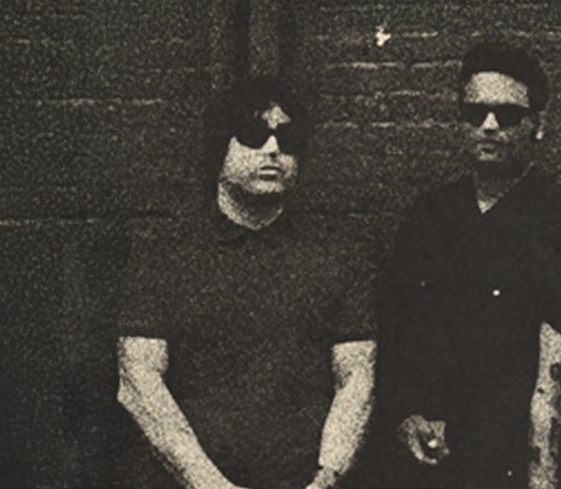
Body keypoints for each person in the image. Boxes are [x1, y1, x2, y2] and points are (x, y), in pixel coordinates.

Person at [116, 77, 376, 489]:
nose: (272, 150)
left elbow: (357, 377)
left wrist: (327, 476)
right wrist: (210, 484)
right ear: (218, 148)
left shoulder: (338, 254)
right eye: (254, 135)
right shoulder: (165, 253)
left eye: (287, 139)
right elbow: (139, 383)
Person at [375, 42, 561, 489]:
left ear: (538, 125)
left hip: (517, 457)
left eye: (507, 115)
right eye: (475, 113)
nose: (489, 126)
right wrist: (407, 414)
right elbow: (398, 330)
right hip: (429, 461)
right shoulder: (429, 216)